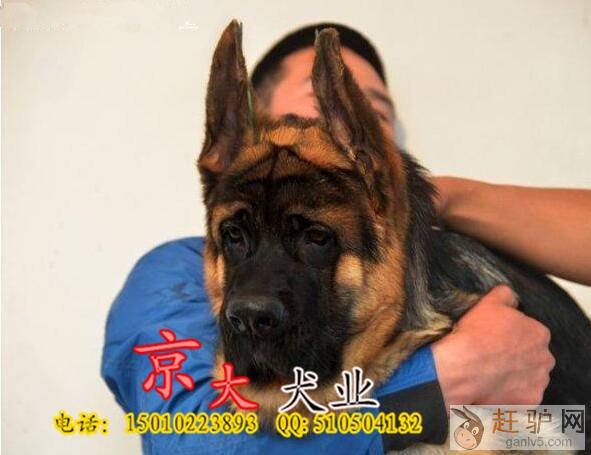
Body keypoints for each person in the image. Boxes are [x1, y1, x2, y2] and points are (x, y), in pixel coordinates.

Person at [102, 23, 589, 454]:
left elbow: (565, 431)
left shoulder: (433, 271)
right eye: (323, 105)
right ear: (250, 125)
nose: (355, 126)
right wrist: (437, 383)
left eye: (373, 117)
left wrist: (435, 198)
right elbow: (189, 442)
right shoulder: (172, 272)